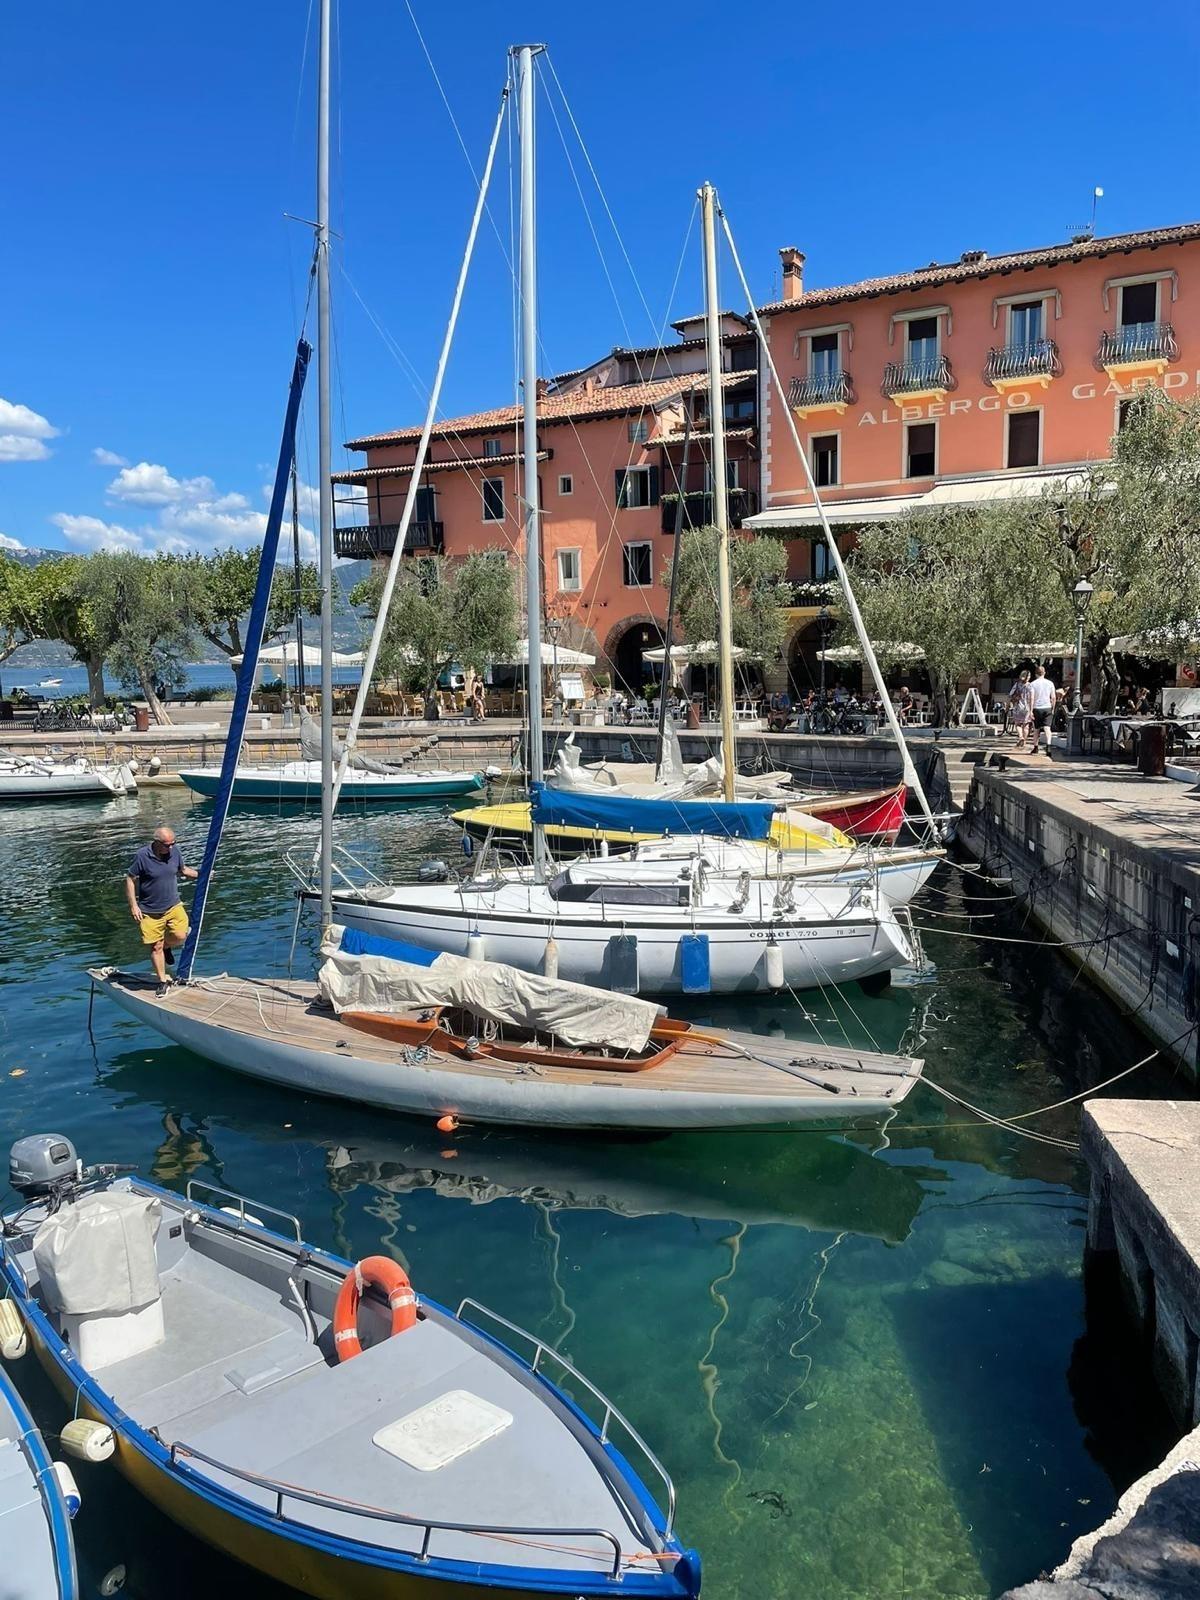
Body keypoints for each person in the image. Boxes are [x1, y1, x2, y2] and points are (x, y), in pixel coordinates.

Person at [125, 826, 198, 994]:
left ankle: (166, 946)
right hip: (149, 911)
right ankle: (162, 981)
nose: (171, 847)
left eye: (173, 843)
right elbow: (130, 879)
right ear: (157, 842)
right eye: (167, 844)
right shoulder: (142, 856)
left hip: (173, 905)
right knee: (155, 947)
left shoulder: (175, 852)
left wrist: (202, 874)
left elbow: (183, 870)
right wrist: (134, 905)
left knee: (181, 935)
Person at [1028, 663, 1057, 755]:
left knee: (1036, 729)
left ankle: (1035, 747)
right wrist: (1053, 708)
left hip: (1037, 708)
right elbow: (1053, 697)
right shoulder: (1050, 683)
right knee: (1047, 728)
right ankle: (1048, 746)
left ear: (1036, 674)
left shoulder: (1032, 684)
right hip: (1047, 707)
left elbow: (1031, 698)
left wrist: (1030, 710)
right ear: (1044, 673)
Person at [1009, 670, 1033, 750]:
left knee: (1018, 724)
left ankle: (1020, 737)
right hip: (1027, 708)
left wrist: (1009, 705)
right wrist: (1031, 709)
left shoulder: (1017, 684)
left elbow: (1010, 695)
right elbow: (1032, 698)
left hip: (1018, 707)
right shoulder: (1030, 686)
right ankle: (1024, 742)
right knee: (1026, 726)